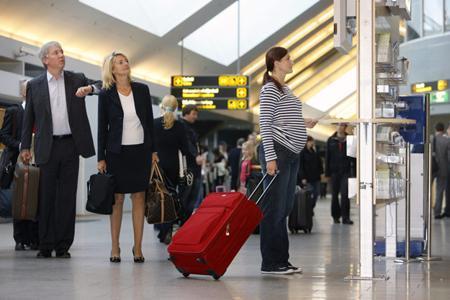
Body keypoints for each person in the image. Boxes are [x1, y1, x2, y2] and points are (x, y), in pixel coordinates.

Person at [20, 41, 100, 259]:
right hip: (47, 146)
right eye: (56, 52)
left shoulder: (77, 78)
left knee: (66, 197)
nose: (61, 55)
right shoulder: (34, 85)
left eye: (62, 51)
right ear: (46, 59)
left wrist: (90, 89)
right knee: (45, 197)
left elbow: (102, 85)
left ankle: (63, 245)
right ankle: (45, 244)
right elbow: (29, 120)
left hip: (71, 145)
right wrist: (25, 146)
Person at [259, 46, 317, 275]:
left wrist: (304, 123)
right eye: (287, 58)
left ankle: (281, 259)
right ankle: (271, 262)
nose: (292, 61)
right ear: (276, 63)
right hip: (279, 153)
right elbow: (265, 123)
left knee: (284, 208)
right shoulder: (270, 89)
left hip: (291, 154)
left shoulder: (285, 88)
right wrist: (271, 158)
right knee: (273, 209)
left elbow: (283, 118)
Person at [97, 51, 157, 263]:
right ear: (112, 69)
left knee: (139, 197)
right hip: (116, 152)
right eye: (120, 62)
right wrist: (100, 156)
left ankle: (138, 248)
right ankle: (115, 247)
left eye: (126, 61)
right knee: (118, 199)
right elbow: (102, 127)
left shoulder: (142, 90)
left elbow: (149, 122)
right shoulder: (106, 94)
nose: (125, 64)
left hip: (140, 151)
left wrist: (153, 151)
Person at [0, 80, 39, 251]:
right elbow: (4, 135)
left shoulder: (41, 112)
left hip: (38, 161)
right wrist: (20, 146)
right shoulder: (14, 111)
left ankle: (35, 238)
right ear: (22, 93)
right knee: (20, 199)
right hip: (17, 162)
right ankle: (20, 239)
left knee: (35, 199)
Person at [153, 95, 189, 244]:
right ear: (176, 108)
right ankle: (167, 230)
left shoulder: (153, 124)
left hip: (156, 166)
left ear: (161, 106)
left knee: (157, 198)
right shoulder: (180, 126)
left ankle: (160, 227)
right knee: (171, 198)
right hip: (173, 166)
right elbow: (185, 150)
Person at [325, 124, 356, 225]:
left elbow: (354, 157)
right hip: (334, 172)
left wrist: (355, 173)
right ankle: (335, 217)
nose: (340, 127)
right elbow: (327, 157)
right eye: (338, 125)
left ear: (345, 127)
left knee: (345, 195)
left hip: (346, 172)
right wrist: (327, 173)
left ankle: (345, 217)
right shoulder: (330, 140)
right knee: (334, 195)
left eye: (342, 126)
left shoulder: (350, 139)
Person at [179, 105, 203, 218]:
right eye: (193, 114)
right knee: (187, 194)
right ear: (186, 113)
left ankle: (186, 219)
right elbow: (187, 144)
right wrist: (195, 156)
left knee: (193, 194)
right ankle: (183, 219)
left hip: (194, 166)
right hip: (187, 166)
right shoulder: (181, 126)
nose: (196, 117)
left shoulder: (190, 127)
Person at [298, 135, 324, 212]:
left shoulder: (314, 151)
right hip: (307, 178)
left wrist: (321, 173)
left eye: (312, 141)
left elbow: (319, 163)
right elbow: (300, 166)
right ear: (306, 142)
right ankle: (308, 209)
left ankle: (310, 208)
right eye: (310, 141)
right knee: (309, 194)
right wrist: (302, 177)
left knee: (316, 194)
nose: (311, 143)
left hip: (316, 177)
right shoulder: (302, 152)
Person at [432, 122, 450, 219]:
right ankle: (437, 213)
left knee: (426, 191)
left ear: (435, 129)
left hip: (430, 168)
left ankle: (424, 210)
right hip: (443, 169)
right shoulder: (447, 140)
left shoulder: (430, 139)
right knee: (440, 191)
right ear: (443, 129)